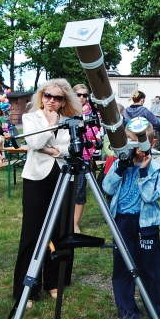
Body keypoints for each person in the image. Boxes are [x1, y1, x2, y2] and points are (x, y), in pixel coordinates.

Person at [13, 79, 82, 308]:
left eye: (57, 98)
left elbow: (72, 148)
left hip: (62, 176)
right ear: (41, 97)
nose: (51, 100)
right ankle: (27, 288)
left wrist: (51, 149)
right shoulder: (31, 118)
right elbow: (33, 142)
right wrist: (51, 126)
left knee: (60, 230)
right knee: (32, 232)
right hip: (36, 179)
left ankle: (55, 281)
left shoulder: (69, 120)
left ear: (64, 101)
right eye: (47, 95)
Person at [102, 120, 160, 319]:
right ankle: (128, 315)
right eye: (129, 143)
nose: (134, 149)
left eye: (139, 143)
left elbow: (150, 196)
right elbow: (107, 187)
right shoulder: (119, 165)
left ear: (151, 143)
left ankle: (156, 309)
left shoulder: (156, 169)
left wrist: (143, 171)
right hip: (123, 221)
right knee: (123, 269)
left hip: (146, 224)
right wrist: (121, 167)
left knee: (151, 269)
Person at [72, 83, 102, 233]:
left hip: (85, 157)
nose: (82, 97)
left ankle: (75, 223)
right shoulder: (66, 111)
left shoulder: (93, 113)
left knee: (79, 190)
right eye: (79, 94)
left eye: (85, 95)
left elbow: (96, 134)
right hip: (66, 156)